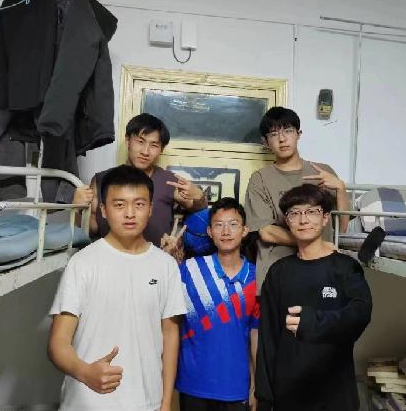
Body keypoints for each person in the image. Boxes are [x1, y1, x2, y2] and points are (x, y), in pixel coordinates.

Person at [48, 165, 187, 411]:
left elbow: (170, 336)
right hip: (87, 403)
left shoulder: (166, 266)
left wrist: (166, 403)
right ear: (103, 210)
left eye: (139, 204)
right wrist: (85, 372)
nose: (130, 213)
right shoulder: (82, 263)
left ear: (151, 209)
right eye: (119, 204)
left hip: (146, 403)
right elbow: (58, 343)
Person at [255, 184, 372, 411]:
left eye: (311, 212)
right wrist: (264, 397)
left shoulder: (345, 268)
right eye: (295, 213)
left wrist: (314, 322)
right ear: (287, 221)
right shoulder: (279, 272)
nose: (303, 220)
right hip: (289, 393)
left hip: (335, 393)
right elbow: (268, 339)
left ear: (325, 217)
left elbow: (360, 314)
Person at [244, 106, 350, 291]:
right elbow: (267, 232)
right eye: (274, 134)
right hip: (279, 269)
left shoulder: (322, 172)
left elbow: (342, 229)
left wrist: (340, 189)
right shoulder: (260, 179)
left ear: (298, 134)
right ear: (265, 142)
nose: (282, 139)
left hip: (323, 267)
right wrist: (316, 243)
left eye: (288, 131)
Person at [73, 114, 207, 248]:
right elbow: (92, 229)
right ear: (128, 141)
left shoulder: (170, 181)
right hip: (111, 256)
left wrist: (198, 196)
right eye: (140, 142)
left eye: (154, 145)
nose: (145, 152)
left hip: (156, 256)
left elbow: (201, 209)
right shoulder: (102, 179)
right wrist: (78, 208)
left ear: (161, 149)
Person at [176, 197, 260, 411]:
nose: (226, 231)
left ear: (245, 230)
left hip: (236, 387)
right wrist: (167, 260)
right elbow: (167, 321)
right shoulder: (189, 269)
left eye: (233, 224)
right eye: (219, 225)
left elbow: (255, 335)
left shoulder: (256, 278)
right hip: (193, 386)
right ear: (209, 232)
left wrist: (255, 384)